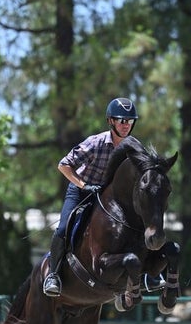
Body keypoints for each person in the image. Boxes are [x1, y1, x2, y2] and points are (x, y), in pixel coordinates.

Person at [42, 97, 139, 297]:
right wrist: (85, 185)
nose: (125, 125)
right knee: (63, 227)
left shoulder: (134, 148)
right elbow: (64, 165)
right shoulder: (96, 143)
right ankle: (53, 274)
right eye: (121, 120)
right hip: (81, 190)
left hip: (109, 197)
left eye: (129, 121)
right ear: (110, 121)